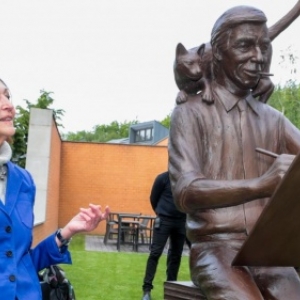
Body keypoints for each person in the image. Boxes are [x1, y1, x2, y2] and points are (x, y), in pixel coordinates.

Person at [168, 5, 300, 300]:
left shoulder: (273, 119)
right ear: (216, 53)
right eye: (245, 45)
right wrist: (261, 184)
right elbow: (185, 192)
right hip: (216, 248)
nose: (258, 56)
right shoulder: (190, 114)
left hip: (269, 251)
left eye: (264, 46)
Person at [0, 78, 110, 300]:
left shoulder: (24, 181)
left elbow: (22, 261)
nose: (8, 104)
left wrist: (66, 232)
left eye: (8, 96)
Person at [141, 171, 186, 300]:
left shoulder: (186, 180)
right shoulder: (162, 178)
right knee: (155, 253)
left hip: (181, 221)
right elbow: (153, 198)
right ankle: (147, 291)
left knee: (175, 256)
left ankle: (171, 290)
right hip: (164, 220)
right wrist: (161, 213)